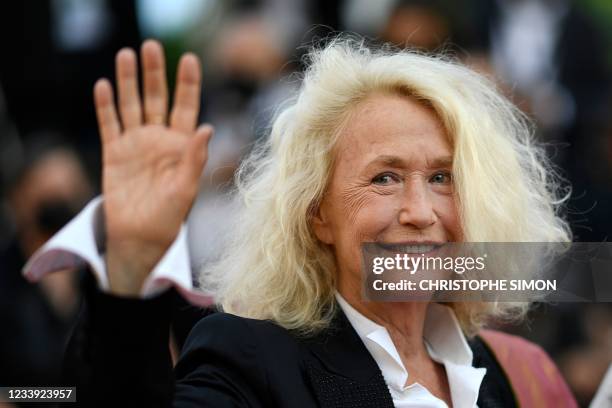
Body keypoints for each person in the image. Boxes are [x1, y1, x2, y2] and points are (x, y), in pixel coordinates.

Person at [53, 38, 579, 407]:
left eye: (443, 178)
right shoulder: (252, 361)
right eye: (384, 179)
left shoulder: (499, 376)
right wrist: (131, 270)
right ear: (316, 214)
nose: (420, 211)